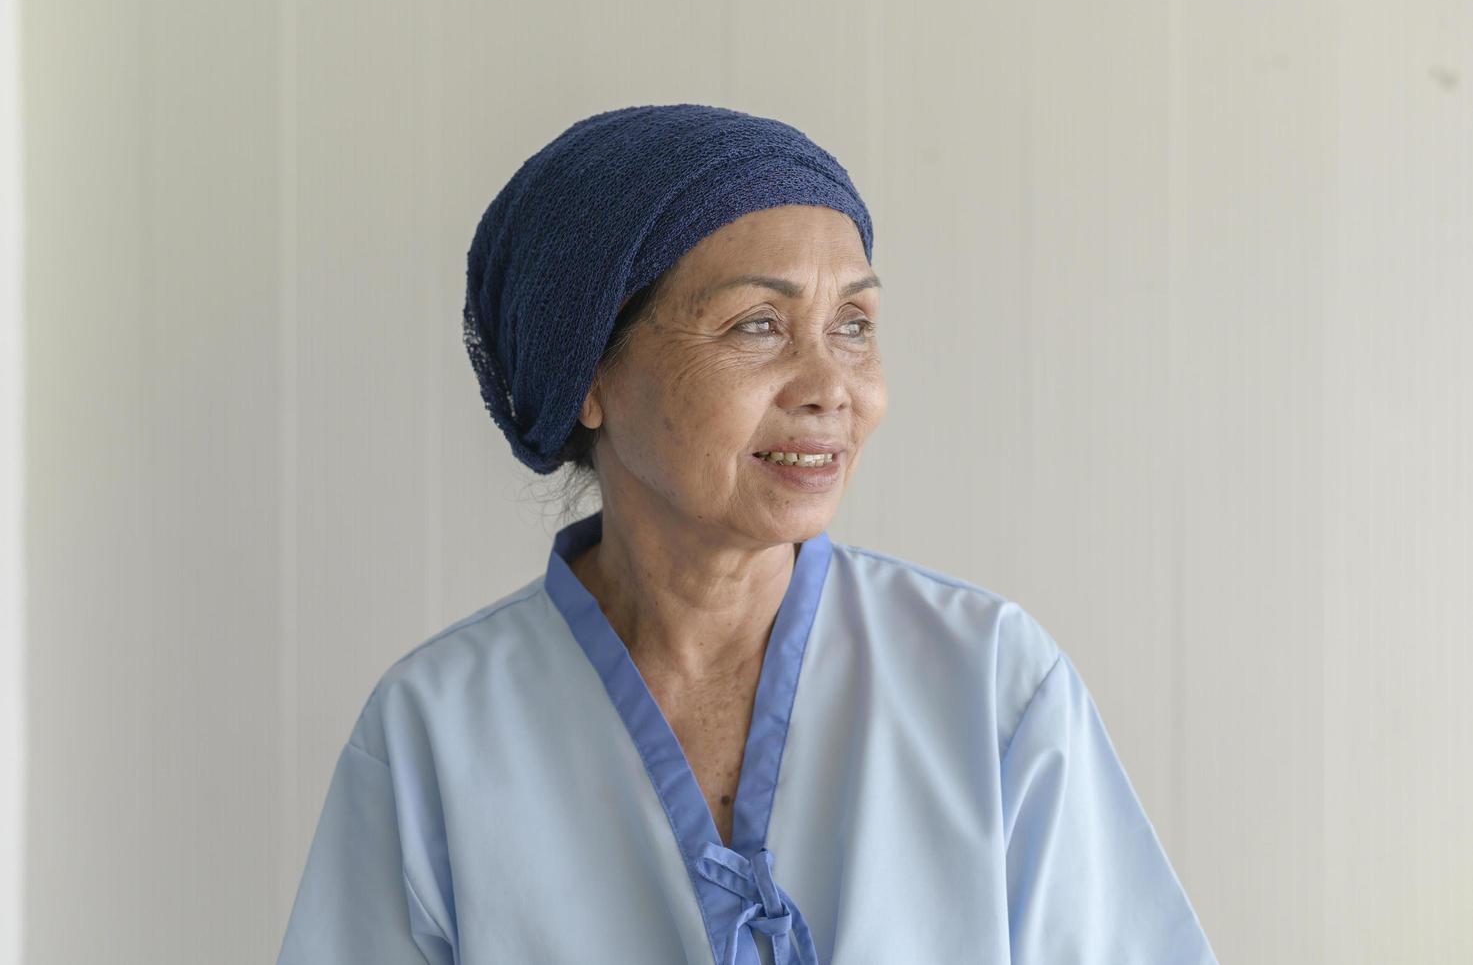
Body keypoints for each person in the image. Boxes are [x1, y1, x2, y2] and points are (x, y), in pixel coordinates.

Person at [277, 103, 1219, 964]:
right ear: (589, 379)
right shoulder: (435, 734)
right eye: (758, 324)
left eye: (852, 324)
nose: (832, 386)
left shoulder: (988, 684)